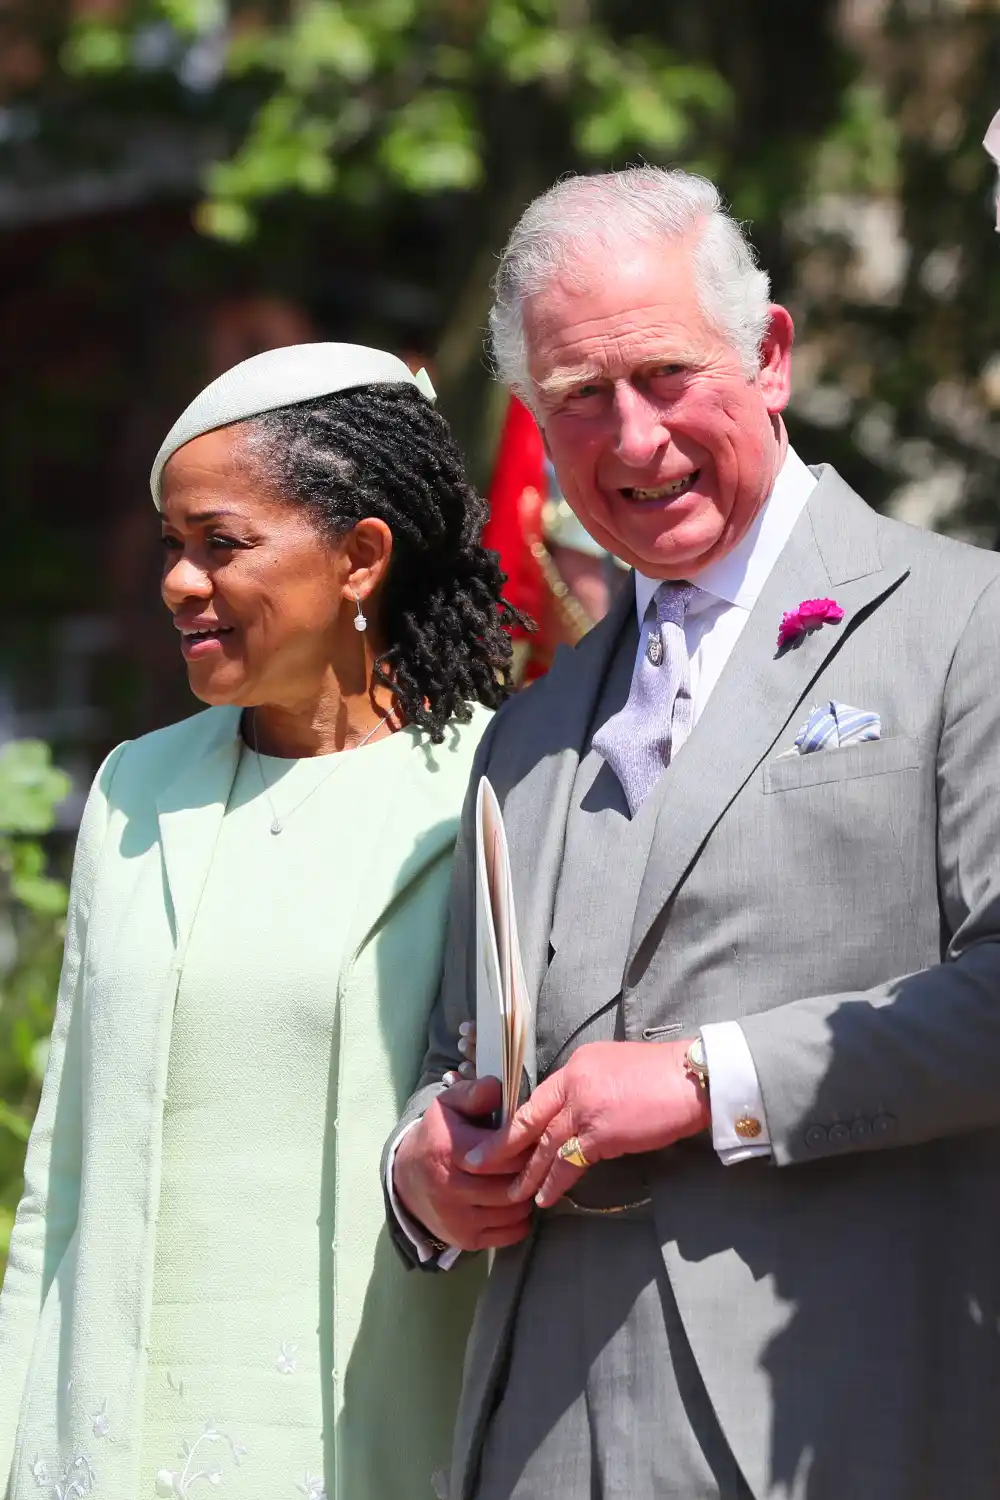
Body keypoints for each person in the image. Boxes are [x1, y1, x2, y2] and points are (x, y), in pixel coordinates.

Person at [386, 168, 1000, 1500]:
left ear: (770, 356)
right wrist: (426, 1170)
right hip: (538, 1425)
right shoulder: (527, 727)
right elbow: (459, 1057)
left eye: (667, 375)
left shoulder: (966, 628)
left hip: (835, 1415)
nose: (633, 439)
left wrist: (705, 1078)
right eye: (579, 399)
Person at [0, 343, 523, 1500]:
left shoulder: (497, 792)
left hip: (362, 1449)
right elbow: (62, 1174)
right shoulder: (137, 789)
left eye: (221, 544)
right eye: (173, 550)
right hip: (95, 1452)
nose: (181, 582)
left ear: (359, 557)